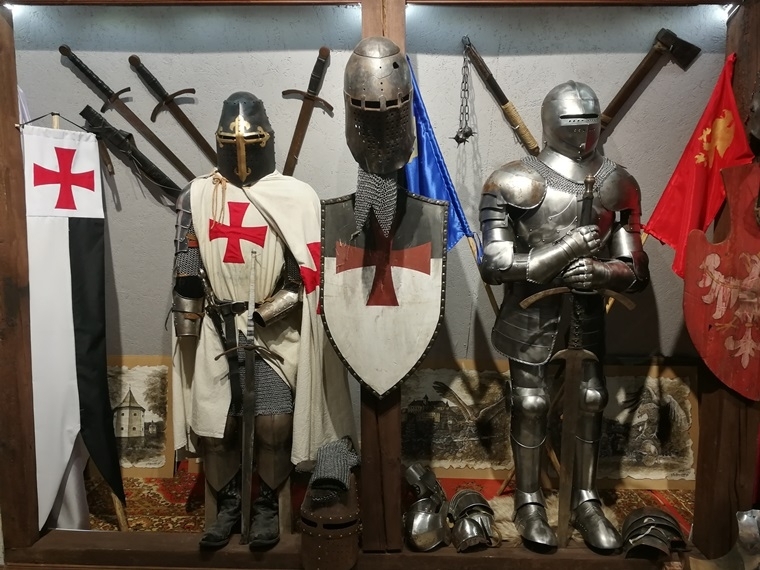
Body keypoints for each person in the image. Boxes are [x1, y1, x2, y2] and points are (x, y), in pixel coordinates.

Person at [171, 91, 355, 550]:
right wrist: (192, 326)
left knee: (273, 424)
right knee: (217, 427)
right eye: (231, 141)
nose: (240, 151)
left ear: (267, 140)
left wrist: (262, 313)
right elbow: (186, 270)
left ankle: (268, 504)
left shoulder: (294, 197)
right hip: (215, 326)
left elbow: (302, 277)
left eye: (250, 140)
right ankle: (229, 503)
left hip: (273, 332)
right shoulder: (197, 195)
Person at [478, 81, 649, 550]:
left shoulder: (619, 183)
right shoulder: (511, 181)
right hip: (530, 311)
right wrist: (565, 249)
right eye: (573, 122)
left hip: (586, 309)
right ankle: (529, 499)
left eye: (590, 122)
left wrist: (603, 271)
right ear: (551, 122)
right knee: (530, 403)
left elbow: (636, 268)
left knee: (592, 398)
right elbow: (494, 264)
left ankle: (586, 499)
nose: (582, 132)